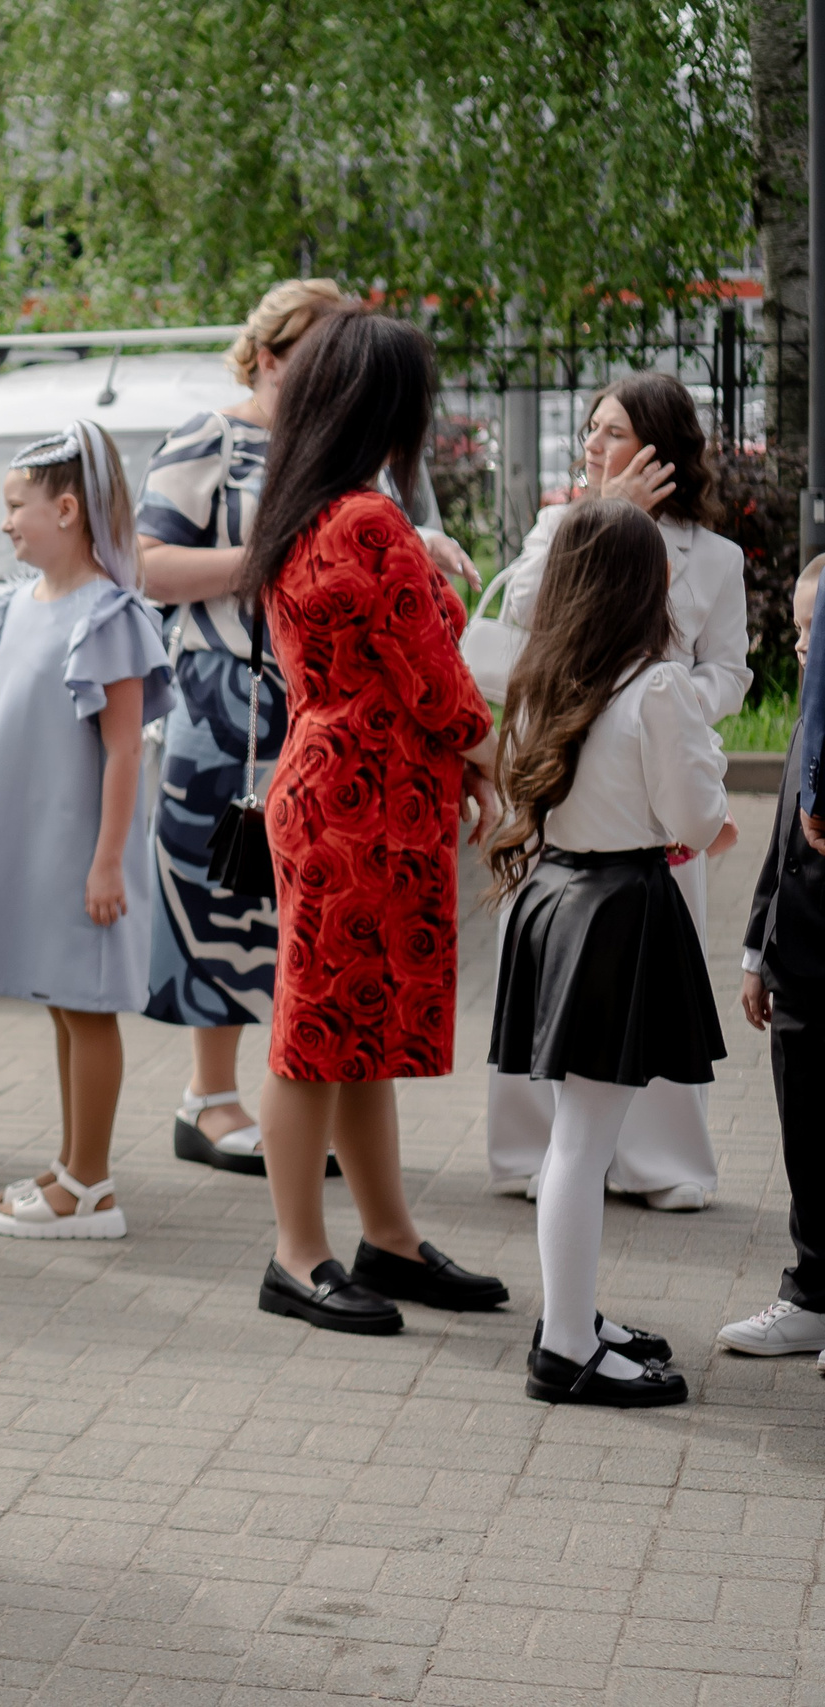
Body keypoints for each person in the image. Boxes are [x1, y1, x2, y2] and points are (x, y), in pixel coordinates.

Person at [239, 309, 510, 1335]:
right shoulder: (363, 520)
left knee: (349, 1031)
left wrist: (464, 767)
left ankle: (384, 1239)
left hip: (351, 793)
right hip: (360, 802)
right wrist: (501, 767)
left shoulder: (306, 509)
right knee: (317, 1032)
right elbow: (437, 686)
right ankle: (297, 1255)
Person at [487, 371, 751, 1211]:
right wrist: (610, 515)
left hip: (658, 778)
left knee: (654, 970)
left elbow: (731, 672)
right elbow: (528, 611)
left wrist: (660, 701)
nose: (593, 446)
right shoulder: (559, 523)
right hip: (563, 771)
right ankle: (539, 1151)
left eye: (612, 432)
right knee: (546, 966)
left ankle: (662, 1160)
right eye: (592, 430)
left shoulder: (717, 557)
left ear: (660, 447)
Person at [487, 500, 729, 1405]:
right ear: (643, 584)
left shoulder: (547, 672)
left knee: (571, 1139)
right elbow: (698, 819)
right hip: (617, 909)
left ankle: (575, 1320)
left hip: (556, 898)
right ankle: (565, 1345)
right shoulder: (656, 686)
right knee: (583, 1145)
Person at [0, 422, 172, 1239]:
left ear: (67, 510)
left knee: (88, 1004)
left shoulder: (109, 615)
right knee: (65, 1008)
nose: (4, 523)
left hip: (84, 850)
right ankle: (71, 1164)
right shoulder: (22, 606)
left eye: (15, 506)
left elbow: (125, 748)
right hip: (41, 844)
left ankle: (92, 1186)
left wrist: (108, 864)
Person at [135, 279, 341, 1175]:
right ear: (270, 356)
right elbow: (146, 564)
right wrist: (264, 561)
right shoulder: (209, 436)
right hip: (222, 700)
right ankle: (207, 1100)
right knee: (212, 888)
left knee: (304, 901)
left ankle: (283, 1100)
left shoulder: (343, 449)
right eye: (321, 356)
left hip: (318, 703)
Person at [721, 554, 825, 1358]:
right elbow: (779, 843)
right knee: (806, 1133)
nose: (804, 649)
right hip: (798, 958)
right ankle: (811, 1291)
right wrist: (756, 947)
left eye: (817, 632)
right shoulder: (806, 726)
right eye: (796, 634)